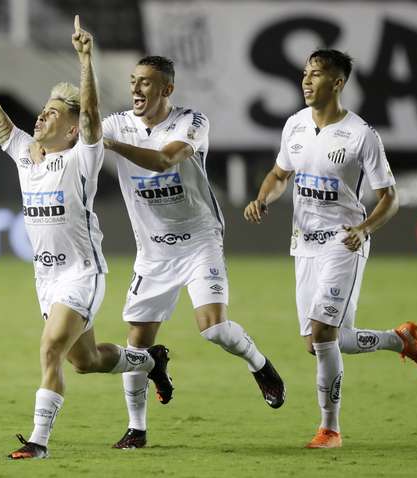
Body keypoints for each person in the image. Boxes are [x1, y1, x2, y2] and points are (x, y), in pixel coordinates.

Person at [0, 17, 173, 460]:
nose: (42, 114)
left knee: (50, 348)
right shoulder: (25, 155)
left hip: (81, 274)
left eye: (53, 111)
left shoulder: (81, 157)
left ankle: (39, 442)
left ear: (71, 130)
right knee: (84, 361)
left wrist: (85, 60)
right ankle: (148, 361)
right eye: (43, 109)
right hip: (46, 279)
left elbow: (90, 116)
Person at [244, 49, 417, 449]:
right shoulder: (294, 125)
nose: (307, 81)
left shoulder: (361, 134)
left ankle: (330, 429)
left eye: (316, 74)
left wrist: (364, 229)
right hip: (303, 246)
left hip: (343, 243)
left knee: (324, 334)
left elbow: (390, 197)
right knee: (320, 342)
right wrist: (263, 197)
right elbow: (280, 174)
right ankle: (398, 340)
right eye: (305, 74)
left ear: (338, 83)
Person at [102, 56, 286, 449]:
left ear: (167, 89)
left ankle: (261, 366)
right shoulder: (117, 123)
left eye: (146, 83)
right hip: (152, 251)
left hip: (200, 239)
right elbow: (81, 136)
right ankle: (137, 429)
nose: (136, 89)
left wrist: (112, 145)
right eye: (133, 81)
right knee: (135, 346)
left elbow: (165, 159)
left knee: (215, 329)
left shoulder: (191, 122)